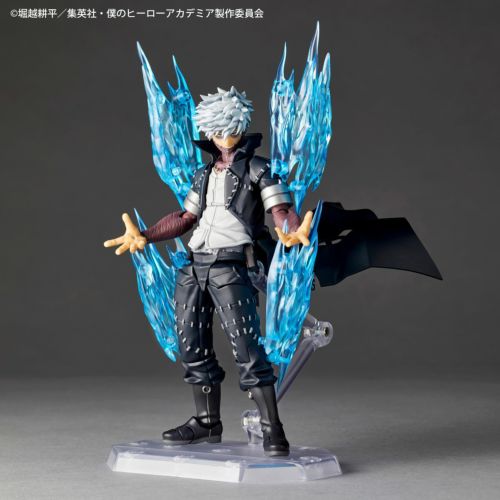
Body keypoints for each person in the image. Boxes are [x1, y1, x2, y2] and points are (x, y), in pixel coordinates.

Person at [104, 87, 312, 457]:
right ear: (208, 132)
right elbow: (186, 218)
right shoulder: (202, 174)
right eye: (216, 130)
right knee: (191, 345)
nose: (224, 136)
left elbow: (280, 209)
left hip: (232, 266)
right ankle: (206, 422)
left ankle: (272, 428)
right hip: (193, 266)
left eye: (229, 128)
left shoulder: (259, 169)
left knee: (248, 348)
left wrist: (291, 229)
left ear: (241, 127)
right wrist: (146, 235)